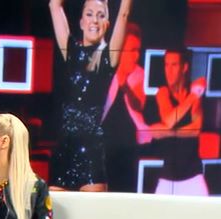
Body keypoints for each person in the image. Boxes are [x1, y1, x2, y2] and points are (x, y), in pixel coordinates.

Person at [48, 0, 133, 192]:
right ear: (81, 22)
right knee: (57, 210)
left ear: (107, 25)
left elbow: (124, 14)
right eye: (89, 14)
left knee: (93, 210)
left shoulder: (108, 57)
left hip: (91, 152)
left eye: (101, 15)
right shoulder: (71, 51)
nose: (94, 20)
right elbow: (54, 5)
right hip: (64, 149)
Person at [140, 48, 208, 196]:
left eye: (174, 65)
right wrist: (192, 96)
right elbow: (169, 120)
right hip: (168, 177)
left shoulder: (192, 91)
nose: (169, 71)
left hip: (193, 176)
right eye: (166, 65)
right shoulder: (163, 92)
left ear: (184, 67)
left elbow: (196, 129)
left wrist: (167, 132)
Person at [101, 22, 146, 193]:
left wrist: (125, 83)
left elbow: (139, 105)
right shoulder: (105, 71)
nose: (136, 55)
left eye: (138, 50)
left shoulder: (139, 74)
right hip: (104, 146)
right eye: (132, 50)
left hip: (129, 147)